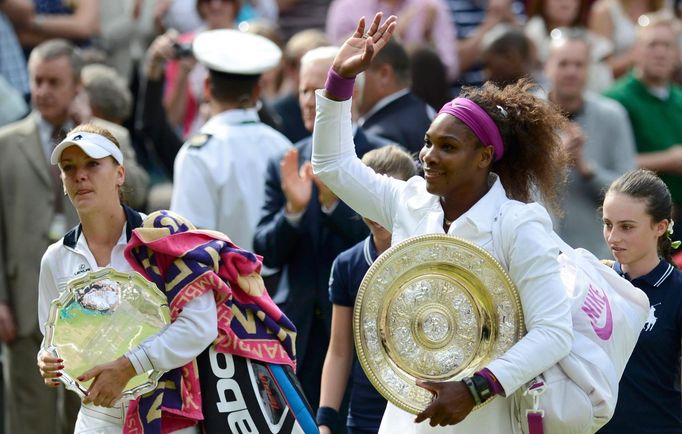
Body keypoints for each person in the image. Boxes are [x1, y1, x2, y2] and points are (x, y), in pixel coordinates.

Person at [312, 12, 573, 432]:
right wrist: (340, 81)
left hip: (483, 418)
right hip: (403, 418)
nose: (429, 156)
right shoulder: (411, 201)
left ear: (484, 156)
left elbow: (554, 331)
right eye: (428, 143)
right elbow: (332, 166)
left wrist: (476, 389)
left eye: (447, 146)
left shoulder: (519, 224)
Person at [0, 38, 147, 434]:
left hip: (103, 321)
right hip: (25, 298)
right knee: (30, 420)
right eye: (37, 81)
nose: (43, 91)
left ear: (77, 86)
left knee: (89, 417)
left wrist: (91, 126)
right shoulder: (5, 141)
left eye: (54, 82)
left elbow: (139, 189)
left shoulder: (112, 138)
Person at [35, 124, 216, 434]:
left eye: (93, 164)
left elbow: (201, 324)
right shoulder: (55, 258)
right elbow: (52, 337)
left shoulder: (161, 239)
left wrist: (130, 366)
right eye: (69, 168)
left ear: (120, 173)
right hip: (95, 417)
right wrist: (48, 360)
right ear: (63, 183)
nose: (80, 175)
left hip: (166, 414)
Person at [253, 44, 387, 420]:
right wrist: (292, 214)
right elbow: (265, 251)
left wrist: (331, 204)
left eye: (319, 91)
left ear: (350, 93)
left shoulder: (380, 158)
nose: (310, 102)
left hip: (358, 338)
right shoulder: (287, 160)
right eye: (302, 91)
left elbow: (389, 239)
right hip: (294, 336)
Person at [318, 145, 417, 434]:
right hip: (363, 417)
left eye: (384, 200)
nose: (374, 210)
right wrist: (325, 420)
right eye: (366, 199)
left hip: (419, 415)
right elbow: (339, 350)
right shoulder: (347, 265)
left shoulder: (428, 256)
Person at [170, 29, 292, 253]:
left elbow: (190, 244)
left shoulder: (198, 153)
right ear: (257, 91)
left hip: (222, 284)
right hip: (276, 283)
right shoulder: (282, 146)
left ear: (207, 87)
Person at [597, 169, 682, 434]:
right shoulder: (592, 279)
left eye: (626, 227)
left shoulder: (677, 292)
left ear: (661, 226)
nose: (613, 237)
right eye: (608, 224)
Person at [544, 28, 636, 259]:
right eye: (564, 64)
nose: (571, 72)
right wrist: (555, 159)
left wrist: (588, 170)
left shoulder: (612, 115)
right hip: (541, 252)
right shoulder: (526, 115)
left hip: (598, 257)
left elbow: (633, 194)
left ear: (589, 69)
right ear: (548, 66)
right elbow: (513, 188)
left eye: (579, 64)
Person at [604, 14, 682, 233]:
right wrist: (669, 160)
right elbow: (609, 165)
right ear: (636, 51)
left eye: (667, 45)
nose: (660, 52)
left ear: (676, 54)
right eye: (652, 44)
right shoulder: (615, 100)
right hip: (640, 222)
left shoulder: (679, 99)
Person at [355, 37, 434, 154]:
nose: (348, 80)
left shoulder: (378, 139)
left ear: (384, 75)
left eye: (355, 70)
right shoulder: (426, 110)